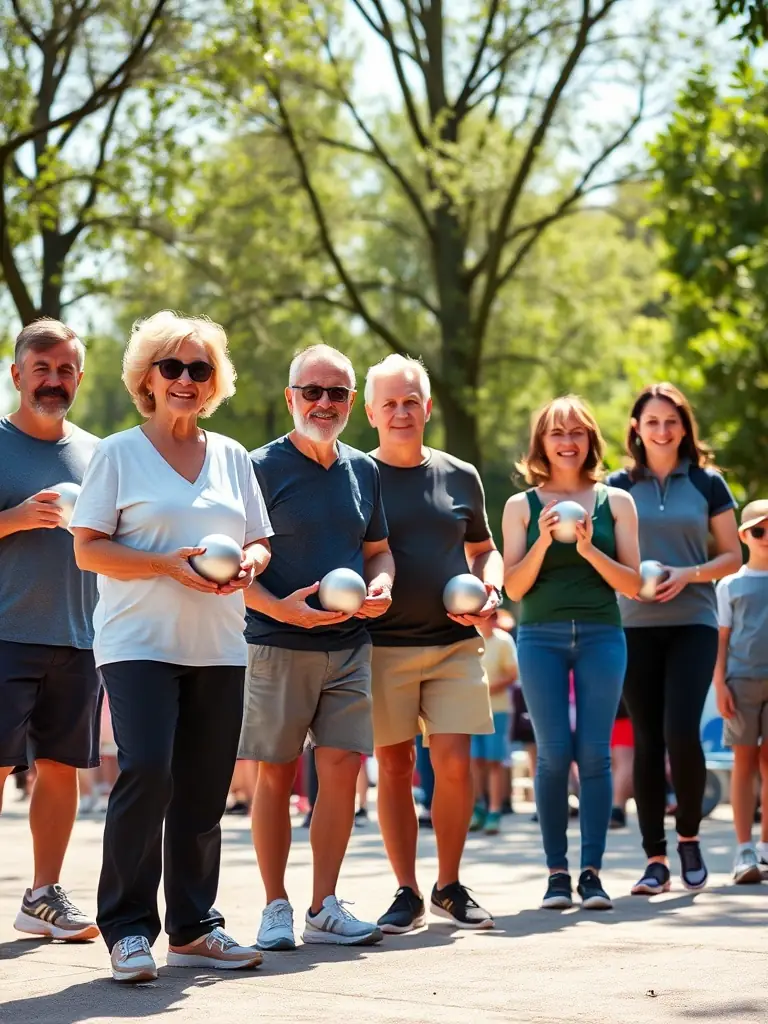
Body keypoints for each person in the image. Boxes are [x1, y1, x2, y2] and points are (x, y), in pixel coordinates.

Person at [71, 310, 271, 982]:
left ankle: (193, 926)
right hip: (138, 644)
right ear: (147, 378)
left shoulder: (234, 456)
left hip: (218, 645)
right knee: (149, 771)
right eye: (173, 367)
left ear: (214, 382)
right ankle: (127, 928)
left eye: (200, 369)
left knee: (203, 790)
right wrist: (166, 565)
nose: (186, 379)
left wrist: (251, 564)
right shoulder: (117, 453)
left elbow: (258, 539)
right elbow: (88, 548)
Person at [240, 344, 395, 951]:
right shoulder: (258, 467)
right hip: (278, 645)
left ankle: (323, 906)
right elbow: (234, 566)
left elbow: (377, 547)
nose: (324, 403)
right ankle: (274, 906)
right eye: (313, 391)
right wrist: (282, 610)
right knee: (275, 776)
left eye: (337, 393)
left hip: (351, 644)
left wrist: (380, 582)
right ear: (291, 397)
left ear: (352, 403)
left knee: (341, 774)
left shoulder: (365, 470)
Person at [364, 354, 502, 934]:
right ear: (370, 411)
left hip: (452, 644)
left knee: (452, 763)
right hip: (378, 646)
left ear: (428, 406)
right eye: (389, 403)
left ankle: (449, 884)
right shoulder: (353, 473)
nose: (401, 412)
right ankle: (407, 891)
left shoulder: (460, 474)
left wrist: (492, 585)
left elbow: (484, 548)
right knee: (394, 767)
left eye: (411, 401)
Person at [503, 395, 641, 911]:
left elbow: (632, 584)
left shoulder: (616, 502)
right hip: (540, 636)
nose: (567, 442)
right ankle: (557, 873)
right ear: (542, 442)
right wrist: (542, 543)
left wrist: (586, 548)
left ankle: (592, 873)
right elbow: (514, 589)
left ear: (590, 441)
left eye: (577, 432)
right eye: (557, 433)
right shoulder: (521, 507)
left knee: (596, 753)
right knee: (554, 753)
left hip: (603, 635)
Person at [607, 382, 741, 895]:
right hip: (633, 625)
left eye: (671, 421)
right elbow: (607, 556)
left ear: (684, 427)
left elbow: (733, 555)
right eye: (652, 422)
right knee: (647, 739)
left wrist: (688, 574)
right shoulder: (617, 486)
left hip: (694, 622)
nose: (662, 430)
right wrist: (630, 579)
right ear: (636, 430)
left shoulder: (707, 483)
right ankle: (655, 859)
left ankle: (688, 837)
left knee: (682, 732)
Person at [0, 318, 101, 942]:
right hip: (5, 633)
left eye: (65, 370)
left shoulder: (98, 452)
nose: (54, 381)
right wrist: (11, 518)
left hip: (79, 636)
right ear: (17, 375)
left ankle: (42, 897)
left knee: (62, 767)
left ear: (79, 378)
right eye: (42, 369)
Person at [712, 499, 768, 883]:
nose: (767, 538)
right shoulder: (729, 584)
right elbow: (722, 640)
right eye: (759, 531)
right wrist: (719, 684)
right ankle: (743, 848)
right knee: (744, 763)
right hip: (741, 682)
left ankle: (766, 846)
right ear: (743, 535)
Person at [470, 610, 519, 835]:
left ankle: (495, 810)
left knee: (495, 762)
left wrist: (488, 688)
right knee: (474, 761)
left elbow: (512, 674)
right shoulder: (470, 638)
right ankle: (478, 806)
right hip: (472, 711)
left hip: (497, 710)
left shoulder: (503, 641)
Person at [609, 700, 634, 829]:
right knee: (622, 761)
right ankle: (617, 807)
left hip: (614, 708)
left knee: (618, 762)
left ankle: (616, 806)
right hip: (622, 710)